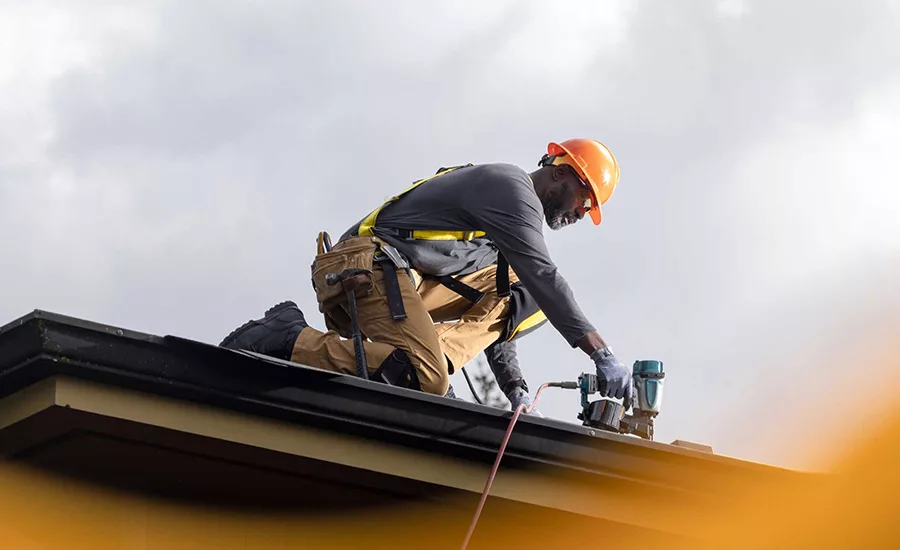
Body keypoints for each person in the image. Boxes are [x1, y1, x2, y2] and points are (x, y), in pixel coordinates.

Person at [219, 139, 634, 413]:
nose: (581, 212)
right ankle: (289, 338)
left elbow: (500, 309)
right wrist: (600, 351)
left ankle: (426, 365)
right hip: (363, 269)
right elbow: (545, 275)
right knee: (426, 377)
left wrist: (516, 391)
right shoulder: (512, 190)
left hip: (394, 282)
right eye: (585, 199)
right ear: (561, 173)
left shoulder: (502, 231)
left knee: (526, 296)